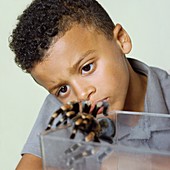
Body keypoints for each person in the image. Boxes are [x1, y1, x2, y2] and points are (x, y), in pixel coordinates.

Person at [9, 0, 170, 169]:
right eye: (63, 89)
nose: (81, 95)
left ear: (121, 40)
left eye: (87, 68)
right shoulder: (62, 109)